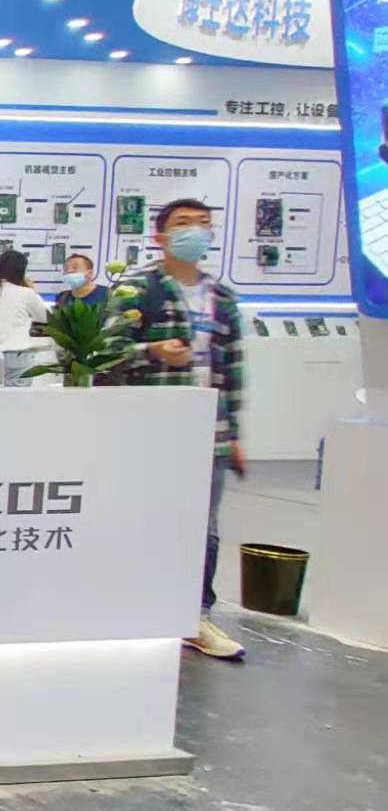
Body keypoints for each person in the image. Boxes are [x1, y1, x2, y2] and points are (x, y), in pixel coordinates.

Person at [115, 198, 248, 662]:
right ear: (160, 236)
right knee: (144, 516)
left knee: (203, 527)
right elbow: (107, 351)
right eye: (183, 224)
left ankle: (194, 616)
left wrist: (234, 433)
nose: (195, 231)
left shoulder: (223, 298)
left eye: (203, 224)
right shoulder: (137, 290)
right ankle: (133, 605)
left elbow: (233, 369)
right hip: (153, 430)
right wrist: (151, 351)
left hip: (210, 431)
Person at [0, 249, 48, 386]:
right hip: (18, 357)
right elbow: (46, 317)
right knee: (18, 398)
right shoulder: (26, 294)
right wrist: (32, 290)